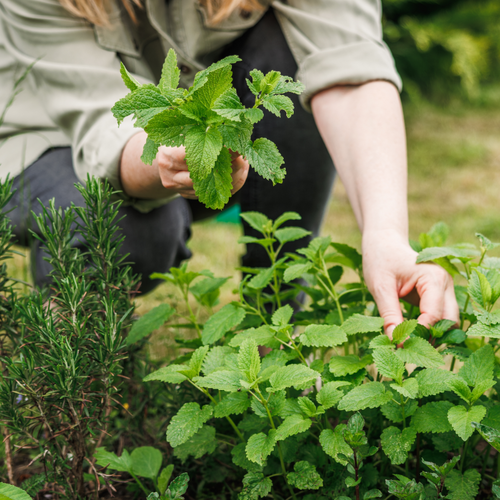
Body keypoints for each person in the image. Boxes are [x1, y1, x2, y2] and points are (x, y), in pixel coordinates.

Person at [0, 0, 459, 334]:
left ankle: (277, 324)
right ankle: (73, 356)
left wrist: (386, 236)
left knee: (291, 63)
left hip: (204, 141)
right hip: (44, 141)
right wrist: (173, 155)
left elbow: (347, 64)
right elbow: (104, 123)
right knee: (127, 233)